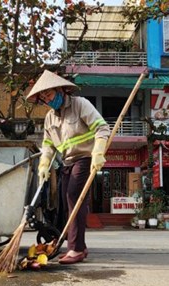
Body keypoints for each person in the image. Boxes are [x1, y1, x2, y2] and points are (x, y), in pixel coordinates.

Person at [26, 70, 110, 265]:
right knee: (66, 204)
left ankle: (76, 249)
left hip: (85, 158)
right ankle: (79, 245)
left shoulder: (80, 104)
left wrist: (98, 152)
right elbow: (48, 144)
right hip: (67, 163)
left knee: (74, 197)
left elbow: (101, 127)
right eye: (44, 98)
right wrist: (44, 164)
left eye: (50, 94)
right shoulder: (50, 118)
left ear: (61, 90)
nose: (48, 99)